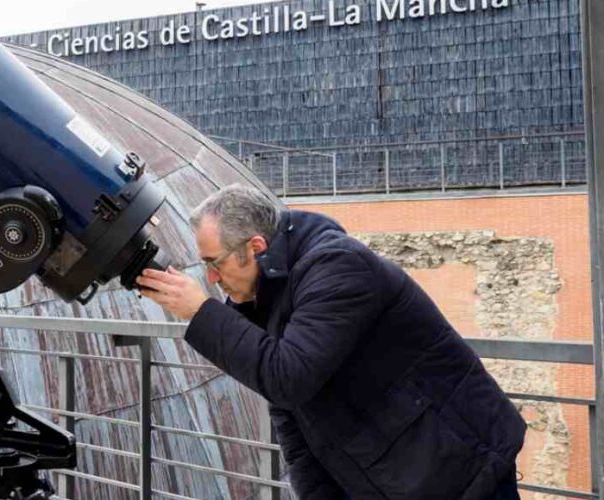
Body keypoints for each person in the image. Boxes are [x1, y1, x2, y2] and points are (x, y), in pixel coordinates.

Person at [136, 184, 525, 500]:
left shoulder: (338, 266)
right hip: (399, 471)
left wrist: (201, 313)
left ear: (255, 247)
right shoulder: (268, 297)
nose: (213, 279)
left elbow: (287, 376)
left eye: (214, 263)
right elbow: (292, 420)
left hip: (460, 470)